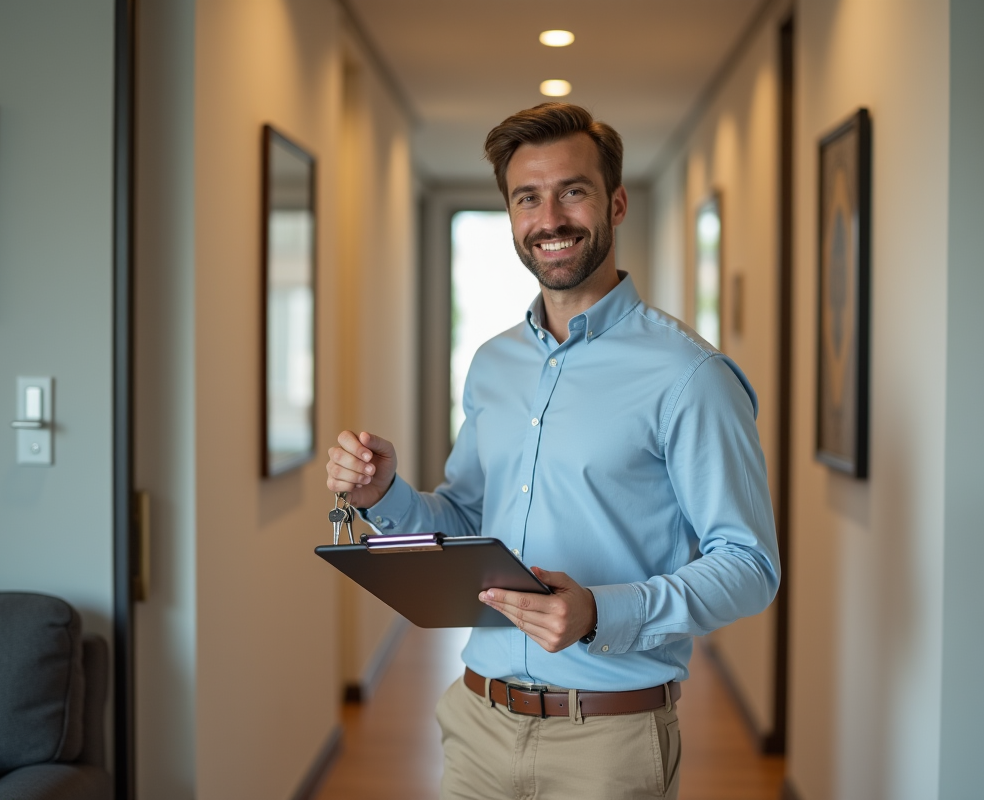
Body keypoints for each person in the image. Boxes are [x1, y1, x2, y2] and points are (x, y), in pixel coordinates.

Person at [325, 102, 779, 800]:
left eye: (573, 190)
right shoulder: (492, 365)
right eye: (527, 197)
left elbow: (749, 566)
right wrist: (382, 496)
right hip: (477, 724)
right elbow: (466, 517)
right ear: (511, 216)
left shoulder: (689, 375)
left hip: (608, 744)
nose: (550, 219)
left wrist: (602, 610)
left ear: (616, 203)